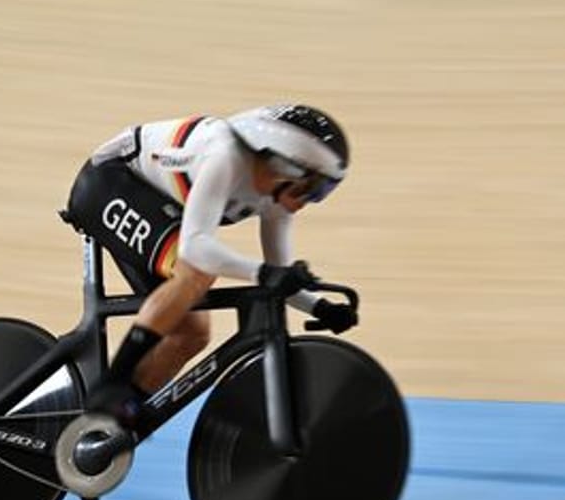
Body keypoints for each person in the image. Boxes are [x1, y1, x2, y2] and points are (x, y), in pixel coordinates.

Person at [62, 103, 358, 425]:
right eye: (313, 188)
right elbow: (197, 248)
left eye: (323, 192)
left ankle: (111, 421)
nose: (310, 201)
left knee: (193, 334)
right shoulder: (225, 156)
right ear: (283, 165)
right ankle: (111, 386)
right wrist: (264, 273)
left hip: (162, 207)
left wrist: (320, 308)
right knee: (198, 273)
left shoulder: (277, 196)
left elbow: (279, 276)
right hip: (110, 183)